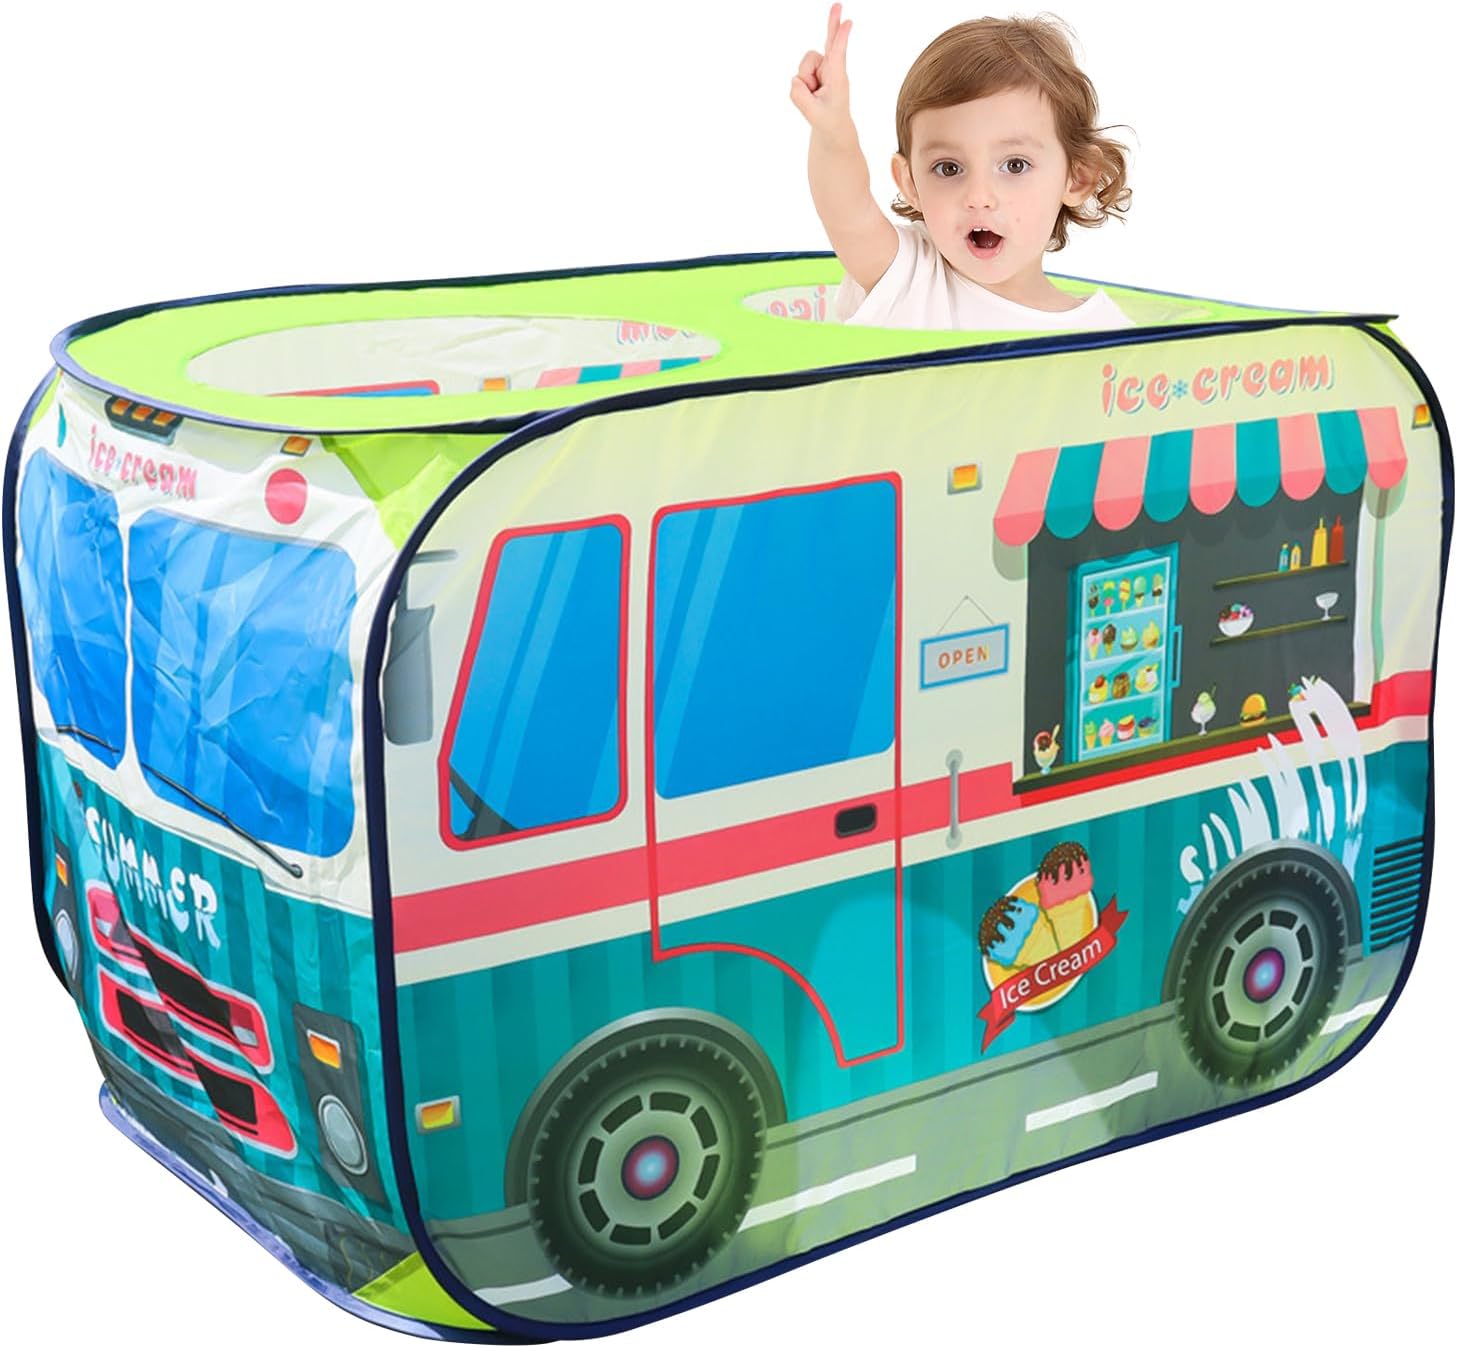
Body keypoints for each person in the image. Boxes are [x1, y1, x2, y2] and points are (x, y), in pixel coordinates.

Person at [790, 5, 1137, 332]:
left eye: (1015, 165)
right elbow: (848, 213)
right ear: (910, 183)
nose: (979, 196)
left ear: (1077, 178)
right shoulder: (911, 278)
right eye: (949, 168)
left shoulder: (1107, 330)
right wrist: (832, 131)